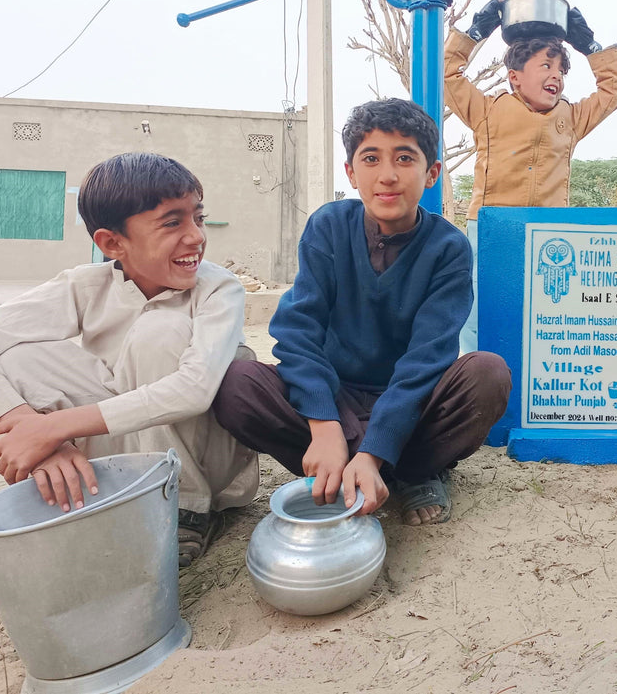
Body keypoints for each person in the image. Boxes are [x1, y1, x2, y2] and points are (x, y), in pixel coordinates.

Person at [0, 152, 260, 566]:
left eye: (197, 216)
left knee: (161, 331)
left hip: (203, 463)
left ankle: (183, 506)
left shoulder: (217, 288)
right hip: (121, 448)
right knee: (16, 353)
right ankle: (105, 485)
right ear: (111, 243)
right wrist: (38, 433)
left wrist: (55, 426)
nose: (195, 236)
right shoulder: (85, 285)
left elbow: (193, 391)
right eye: (173, 222)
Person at [212, 98, 511, 525]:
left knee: (487, 374)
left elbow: (427, 359)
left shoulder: (448, 248)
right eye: (370, 158)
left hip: (412, 400)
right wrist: (324, 424)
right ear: (351, 173)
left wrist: (373, 447)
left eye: (405, 158)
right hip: (336, 393)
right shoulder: (329, 226)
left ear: (432, 174)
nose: (387, 175)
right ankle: (352, 461)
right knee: (236, 383)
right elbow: (298, 333)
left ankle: (405, 468)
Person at [445, 0, 617, 351]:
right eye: (545, 65)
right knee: (478, 311)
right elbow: (449, 74)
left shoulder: (571, 119)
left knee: (542, 310)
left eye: (561, 69)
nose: (555, 76)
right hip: (490, 227)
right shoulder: (487, 111)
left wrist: (590, 47)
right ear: (515, 76)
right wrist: (473, 34)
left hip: (547, 232)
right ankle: (473, 376)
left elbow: (613, 89)